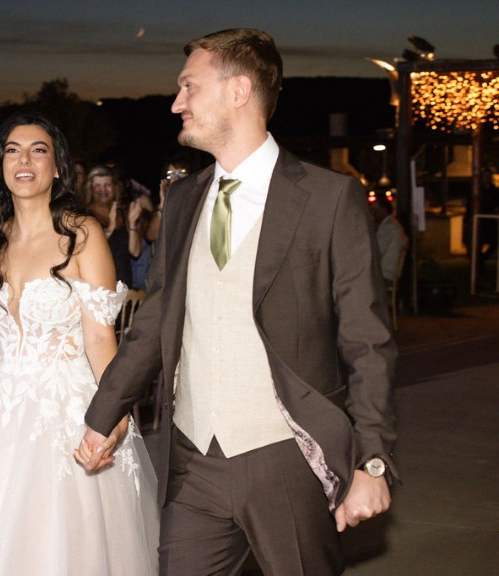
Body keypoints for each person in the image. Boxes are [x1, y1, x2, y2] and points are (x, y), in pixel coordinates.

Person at [78, 29, 397, 575]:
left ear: (239, 91)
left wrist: (372, 460)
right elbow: (155, 320)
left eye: (189, 87)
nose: (177, 103)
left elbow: (366, 341)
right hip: (194, 459)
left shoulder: (328, 198)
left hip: (289, 457)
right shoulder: (183, 200)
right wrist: (103, 414)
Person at [0, 112, 159, 575]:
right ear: (1, 166)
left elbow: (100, 338)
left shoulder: (82, 234)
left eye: (38, 150)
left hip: (66, 411)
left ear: (58, 167)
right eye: (13, 150)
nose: (24, 160)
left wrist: (114, 418)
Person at [86, 165, 133, 287]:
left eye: (107, 185)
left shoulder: (122, 212)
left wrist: (133, 223)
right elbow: (89, 251)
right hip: (100, 284)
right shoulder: (85, 215)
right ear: (90, 189)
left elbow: (135, 251)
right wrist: (111, 227)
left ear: (115, 187)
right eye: (97, 186)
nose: (103, 190)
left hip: (124, 283)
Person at [369, 194, 409, 285]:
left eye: (375, 210)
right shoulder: (394, 224)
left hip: (384, 275)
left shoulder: (388, 227)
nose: (373, 214)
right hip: (389, 273)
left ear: (383, 210)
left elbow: (375, 251)